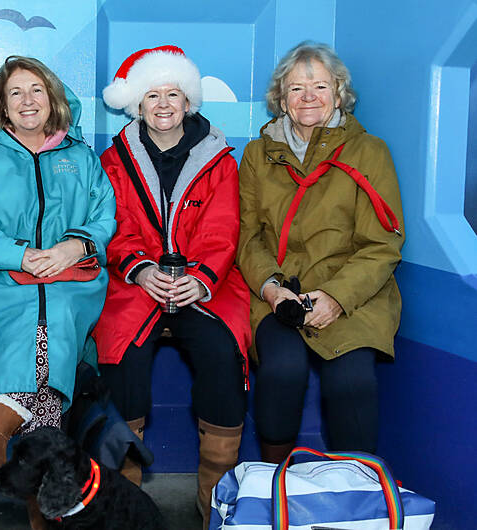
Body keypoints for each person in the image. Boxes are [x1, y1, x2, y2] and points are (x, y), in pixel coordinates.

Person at [92, 45, 252, 527]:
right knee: (122, 356)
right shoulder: (113, 159)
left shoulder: (220, 158)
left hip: (208, 285)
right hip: (134, 284)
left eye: (174, 94)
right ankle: (123, 500)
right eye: (153, 95)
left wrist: (200, 281)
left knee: (224, 354)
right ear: (137, 104)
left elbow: (223, 229)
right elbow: (112, 227)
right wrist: (140, 269)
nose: (163, 104)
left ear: (189, 103)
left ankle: (214, 500)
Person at [0, 55, 116, 489]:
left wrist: (73, 246)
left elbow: (104, 216)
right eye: (15, 92)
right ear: (1, 106)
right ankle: (44, 477)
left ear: (52, 98)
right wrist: (17, 254)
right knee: (34, 321)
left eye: (36, 90)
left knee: (54, 311)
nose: (27, 100)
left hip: (69, 279)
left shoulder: (81, 158)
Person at [237, 42, 404, 463]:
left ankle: (356, 486)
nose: (308, 96)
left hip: (352, 294)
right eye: (296, 88)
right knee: (281, 371)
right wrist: (272, 289)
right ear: (281, 98)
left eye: (319, 86)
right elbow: (248, 235)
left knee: (351, 382)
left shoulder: (370, 152)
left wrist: (335, 298)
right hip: (281, 293)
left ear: (339, 91)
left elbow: (382, 244)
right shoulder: (258, 155)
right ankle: (276, 480)